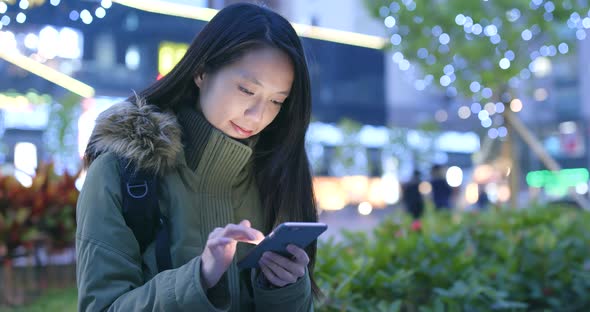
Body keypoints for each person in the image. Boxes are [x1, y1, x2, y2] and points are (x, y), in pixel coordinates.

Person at [76, 3, 319, 311]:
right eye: (246, 90)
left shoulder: (277, 175)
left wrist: (286, 289)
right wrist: (200, 277)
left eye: (276, 101)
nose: (258, 115)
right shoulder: (121, 172)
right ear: (202, 70)